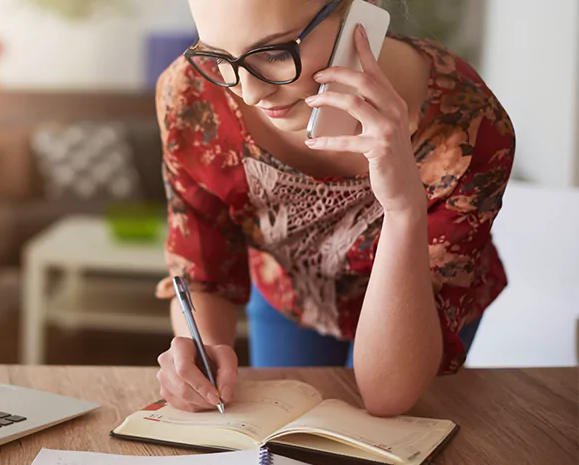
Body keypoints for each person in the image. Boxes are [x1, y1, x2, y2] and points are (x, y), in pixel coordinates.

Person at [153, 0, 515, 417]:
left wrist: (403, 209)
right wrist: (202, 358)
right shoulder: (192, 94)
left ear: (363, 10)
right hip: (290, 293)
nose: (250, 92)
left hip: (422, 303)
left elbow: (387, 396)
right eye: (217, 57)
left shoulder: (468, 128)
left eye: (273, 52)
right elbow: (203, 269)